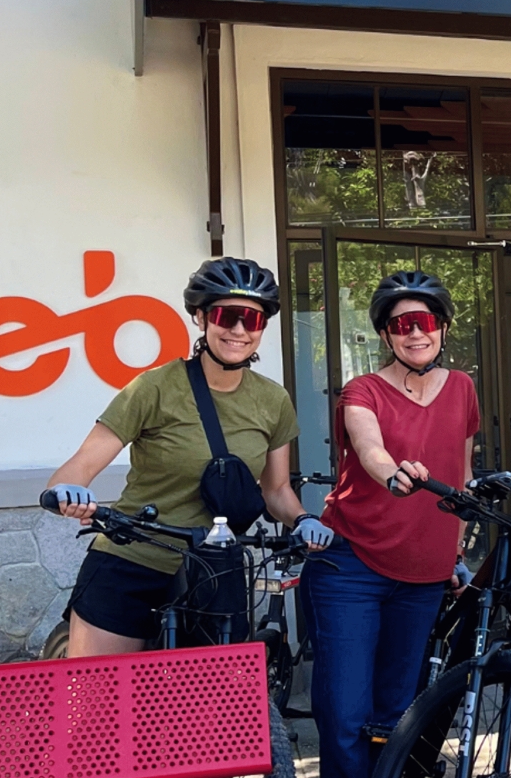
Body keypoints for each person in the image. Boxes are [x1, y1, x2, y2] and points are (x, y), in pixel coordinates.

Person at [44, 258, 326, 657]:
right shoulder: (154, 388)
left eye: (252, 319)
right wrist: (68, 490)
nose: (239, 330)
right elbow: (82, 464)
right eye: (226, 316)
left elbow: (276, 489)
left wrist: (303, 519)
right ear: (201, 317)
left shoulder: (273, 400)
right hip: (133, 558)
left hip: (214, 571)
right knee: (99, 689)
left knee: (215, 692)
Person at [300, 270, 479, 778]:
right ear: (385, 334)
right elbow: (368, 445)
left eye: (425, 321)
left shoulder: (463, 388)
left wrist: (456, 551)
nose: (415, 333)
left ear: (442, 327)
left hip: (423, 576)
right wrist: (392, 472)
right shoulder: (363, 390)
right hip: (349, 567)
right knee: (346, 716)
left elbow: (463, 477)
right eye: (402, 325)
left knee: (396, 717)